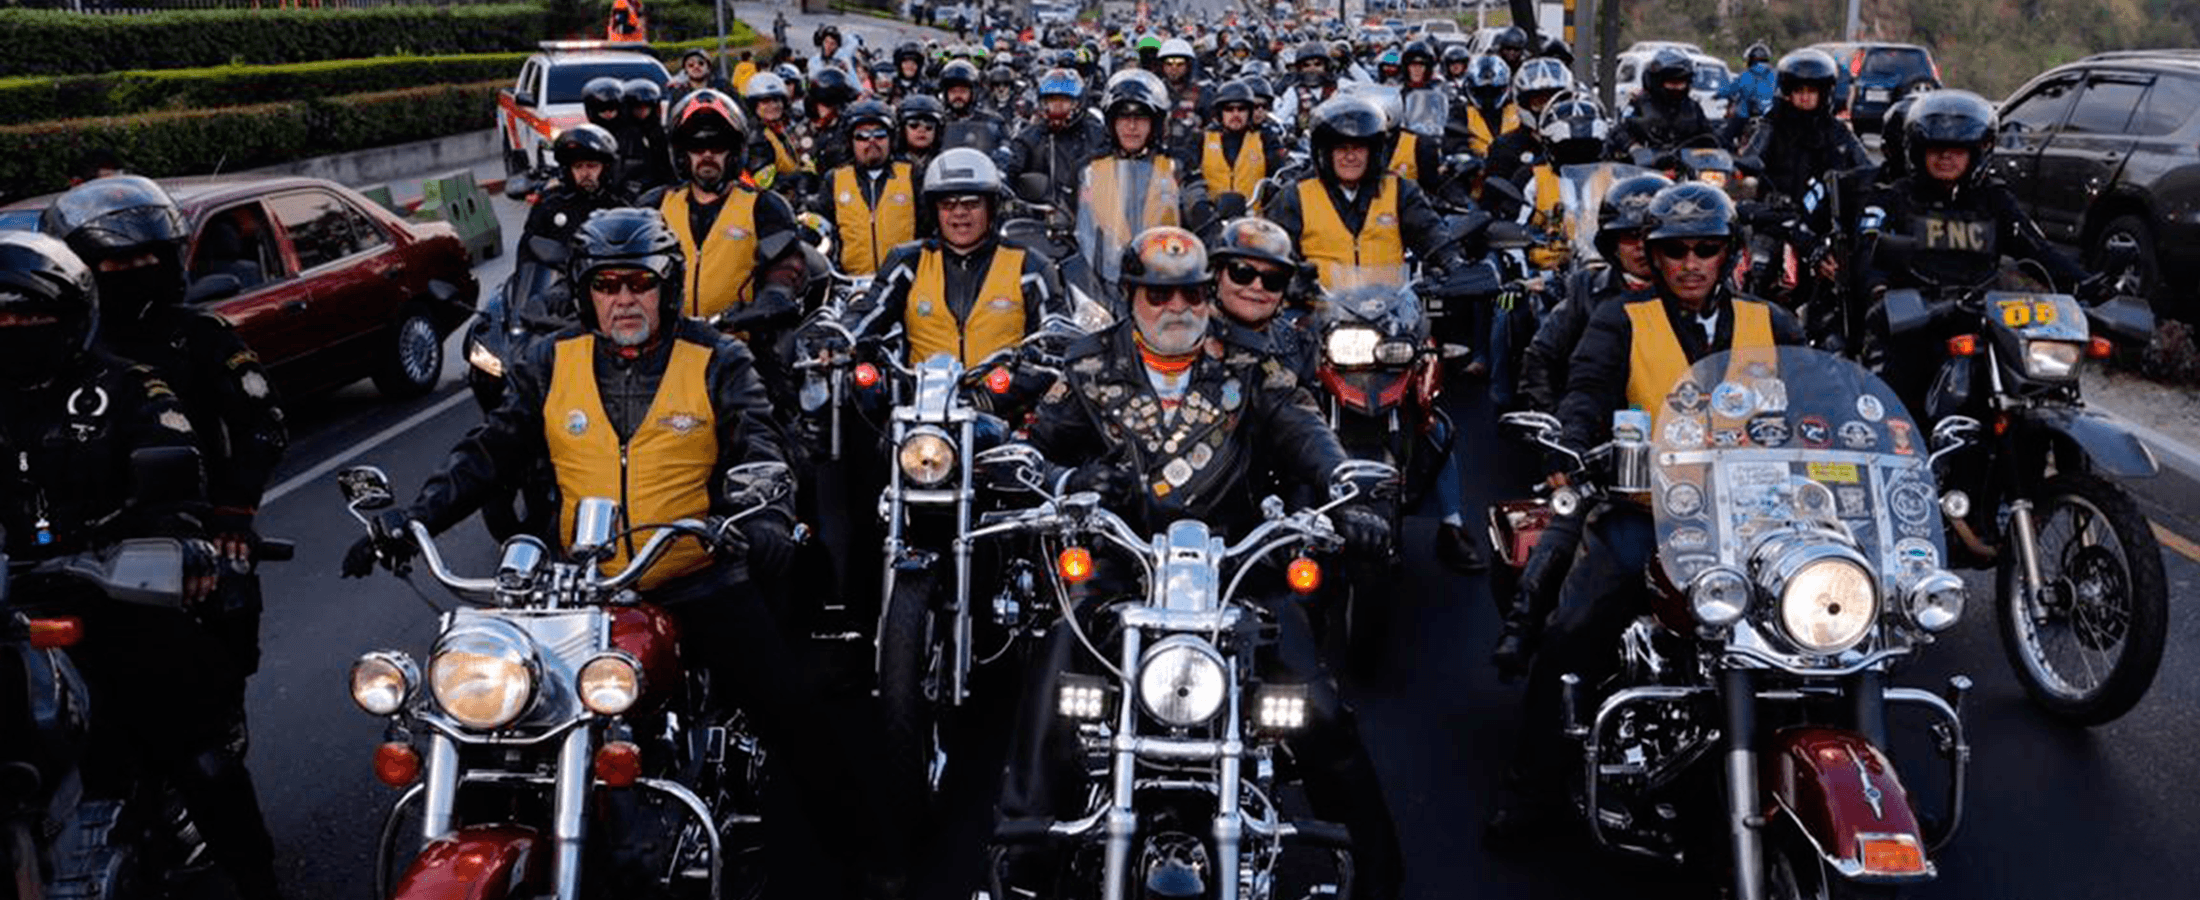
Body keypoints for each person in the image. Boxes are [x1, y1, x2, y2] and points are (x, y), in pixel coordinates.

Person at [342, 208, 898, 900]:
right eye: (608, 285)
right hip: (582, 593)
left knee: (795, 720)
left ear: (667, 286)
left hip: (698, 575)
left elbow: (760, 441)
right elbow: (491, 450)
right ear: (586, 292)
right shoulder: (551, 360)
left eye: (641, 282)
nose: (625, 299)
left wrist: (762, 517)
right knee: (505, 723)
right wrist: (413, 516)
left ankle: (867, 864)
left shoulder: (718, 358)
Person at [997, 226, 1403, 900]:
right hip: (1121, 565)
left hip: (1238, 571)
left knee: (1317, 706)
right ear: (1131, 295)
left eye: (1189, 290)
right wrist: (1072, 485)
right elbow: (1037, 448)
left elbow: (1308, 433)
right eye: (1159, 291)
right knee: (1052, 676)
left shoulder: (1250, 368)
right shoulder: (1088, 365)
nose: (1176, 305)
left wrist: (1345, 491)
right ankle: (1025, 852)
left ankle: (1378, 869)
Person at [1487, 182, 1807, 841]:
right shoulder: (1621, 319)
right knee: (1570, 636)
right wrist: (1572, 447)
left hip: (1758, 521)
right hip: (1650, 512)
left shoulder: (1772, 322)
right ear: (1653, 258)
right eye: (1675, 250)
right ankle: (1530, 791)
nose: (1691, 263)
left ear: (1730, 254)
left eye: (1706, 249)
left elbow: (1817, 403)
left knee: (1844, 628)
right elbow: (1585, 391)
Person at [29, 186, 285, 900]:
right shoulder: (38, 366)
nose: (137, 269)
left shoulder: (190, 342)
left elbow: (263, 425)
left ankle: (253, 874)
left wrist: (229, 516)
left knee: (196, 739)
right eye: (118, 261)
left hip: (159, 551)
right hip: (30, 569)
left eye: (150, 256)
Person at [1260, 95, 1482, 570]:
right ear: (1322, 150)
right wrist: (1287, 276)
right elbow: (1268, 243)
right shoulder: (1297, 195)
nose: (1349, 155)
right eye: (1339, 146)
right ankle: (1281, 520)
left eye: (1360, 147)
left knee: (1432, 417)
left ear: (1376, 150)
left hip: (1392, 322)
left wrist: (1452, 264)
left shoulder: (1399, 192)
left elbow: (1433, 236)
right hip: (1317, 320)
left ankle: (1453, 525)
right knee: (1283, 409)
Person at [1494, 172, 1669, 677]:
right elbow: (1541, 359)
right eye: (1627, 237)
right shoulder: (1589, 290)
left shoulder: (1695, 299)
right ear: (1611, 243)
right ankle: (1522, 628)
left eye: (1647, 237)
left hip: (1686, 457)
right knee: (1568, 522)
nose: (1639, 248)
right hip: (1601, 452)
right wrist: (1563, 439)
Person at [1861, 90, 2088, 405]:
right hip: (1914, 322)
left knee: (2040, 391)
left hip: (1982, 316)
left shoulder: (1993, 199)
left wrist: (2088, 285)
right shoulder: (1896, 197)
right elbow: (1868, 251)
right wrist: (1878, 290)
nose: (1946, 158)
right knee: (1892, 406)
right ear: (1918, 151)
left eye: (1958, 150)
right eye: (1936, 149)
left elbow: (2036, 249)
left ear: (1977, 153)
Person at [841, 148, 1059, 369]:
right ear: (934, 210)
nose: (959, 212)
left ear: (991, 207)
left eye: (971, 203)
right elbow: (871, 310)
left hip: (1007, 397)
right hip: (922, 397)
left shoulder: (1029, 267)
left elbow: (1054, 336)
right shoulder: (909, 262)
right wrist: (839, 337)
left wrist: (1030, 371)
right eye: (947, 204)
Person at [642, 90, 807, 328]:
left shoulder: (765, 206)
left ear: (734, 152)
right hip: (668, 346)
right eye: (697, 146)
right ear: (682, 154)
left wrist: (775, 294)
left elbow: (786, 263)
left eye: (718, 146)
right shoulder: (654, 205)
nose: (707, 154)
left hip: (740, 344)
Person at [1076, 70, 1202, 294]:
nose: (1131, 126)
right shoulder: (1090, 168)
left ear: (1155, 123)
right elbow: (1071, 217)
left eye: (1141, 117)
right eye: (1123, 117)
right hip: (1101, 281)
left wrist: (1206, 216)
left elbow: (1197, 200)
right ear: (1111, 122)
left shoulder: (1177, 164)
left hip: (1166, 276)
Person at [1736, 48, 1869, 206]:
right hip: (1779, 215)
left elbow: (1866, 168)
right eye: (1799, 91)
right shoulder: (1773, 124)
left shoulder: (1838, 131)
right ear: (1788, 92)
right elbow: (1750, 159)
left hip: (1826, 219)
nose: (1805, 97)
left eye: (1812, 91)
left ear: (1824, 93)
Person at [811, 99, 923, 277]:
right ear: (850, 141)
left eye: (879, 135)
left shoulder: (912, 174)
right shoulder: (835, 179)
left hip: (905, 280)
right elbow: (818, 223)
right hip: (851, 283)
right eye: (862, 136)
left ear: (891, 138)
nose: (871, 141)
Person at [1208, 215, 1315, 383]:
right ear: (1217, 275)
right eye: (1242, 272)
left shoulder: (1298, 344)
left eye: (1273, 279)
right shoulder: (1188, 336)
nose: (1257, 286)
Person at [1000, 67, 1108, 213]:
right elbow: (1010, 168)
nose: (1057, 107)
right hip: (1044, 220)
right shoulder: (1029, 138)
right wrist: (1003, 180)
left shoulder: (1097, 134)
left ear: (1078, 103)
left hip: (1095, 214)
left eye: (1064, 101)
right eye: (1052, 101)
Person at [521, 124, 631, 260]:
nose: (585, 173)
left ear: (606, 168)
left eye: (592, 166)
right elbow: (528, 255)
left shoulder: (619, 205)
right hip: (562, 278)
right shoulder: (550, 204)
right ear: (569, 171)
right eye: (578, 167)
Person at [1611, 47, 1722, 160]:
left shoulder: (1693, 108)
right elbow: (1619, 131)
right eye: (1672, 82)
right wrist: (1634, 148)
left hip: (1684, 169)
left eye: (1681, 83)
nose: (1677, 87)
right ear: (1657, 81)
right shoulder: (1639, 104)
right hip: (1647, 168)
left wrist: (1721, 153)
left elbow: (1710, 136)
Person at [1195, 78, 1284, 206]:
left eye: (1241, 109)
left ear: (1249, 112)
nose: (1235, 114)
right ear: (1220, 113)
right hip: (1211, 218)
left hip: (1253, 218)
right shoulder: (1203, 138)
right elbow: (1190, 178)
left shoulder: (1266, 139)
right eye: (1229, 109)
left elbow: (1279, 174)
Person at [1483, 57, 1570, 185]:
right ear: (1524, 104)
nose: (1548, 109)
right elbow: (1495, 198)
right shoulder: (1504, 148)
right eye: (1540, 102)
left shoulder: (1581, 144)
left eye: (1556, 101)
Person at [1454, 55, 1518, 157]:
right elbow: (1452, 144)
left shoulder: (1518, 111)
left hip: (1516, 167)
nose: (1488, 96)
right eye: (1482, 91)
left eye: (1493, 91)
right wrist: (1466, 158)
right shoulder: (1460, 112)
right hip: (1476, 169)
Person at [619, 78, 673, 197]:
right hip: (632, 191)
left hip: (659, 188)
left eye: (646, 107)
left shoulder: (658, 132)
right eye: (638, 108)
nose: (643, 112)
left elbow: (666, 165)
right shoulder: (624, 134)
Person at [1717, 41, 1778, 145]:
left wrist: (1717, 95)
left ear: (1749, 60)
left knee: (1724, 137)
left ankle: (1728, 157)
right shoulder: (1775, 74)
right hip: (1770, 116)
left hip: (1746, 116)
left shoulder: (1746, 75)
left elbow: (1729, 90)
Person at [896, 93, 947, 174]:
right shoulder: (891, 163)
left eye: (929, 126)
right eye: (914, 125)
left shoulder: (945, 162)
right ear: (902, 130)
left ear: (937, 131)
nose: (921, 131)